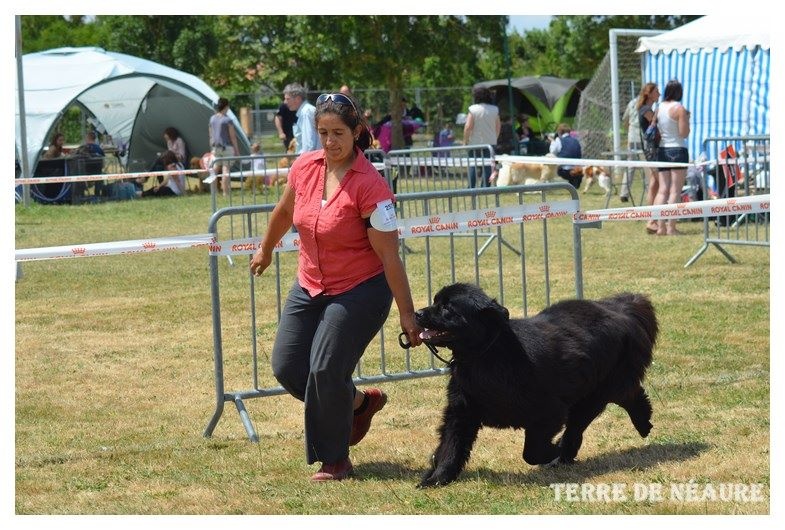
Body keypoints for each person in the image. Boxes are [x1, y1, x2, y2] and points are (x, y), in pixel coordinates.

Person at [249, 91, 423, 482]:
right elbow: (284, 212)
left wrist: (408, 316)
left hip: (360, 289)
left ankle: (336, 459)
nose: (330, 142)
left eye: (339, 133)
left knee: (326, 369)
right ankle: (359, 405)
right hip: (310, 284)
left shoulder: (371, 187)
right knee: (289, 367)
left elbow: (390, 257)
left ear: (357, 132)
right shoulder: (306, 167)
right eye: (323, 132)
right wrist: (265, 250)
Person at [652, 79, 691, 236]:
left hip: (663, 149)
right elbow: (684, 133)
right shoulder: (679, 109)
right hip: (677, 148)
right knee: (675, 190)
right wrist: (687, 119)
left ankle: (660, 227)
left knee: (663, 190)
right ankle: (671, 227)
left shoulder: (659, 107)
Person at [636, 83, 662, 233]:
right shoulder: (646, 110)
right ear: (649, 93)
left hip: (651, 149)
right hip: (652, 150)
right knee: (662, 183)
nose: (659, 93)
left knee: (654, 184)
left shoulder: (646, 109)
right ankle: (652, 220)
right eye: (656, 91)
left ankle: (652, 218)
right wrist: (660, 111)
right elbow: (656, 123)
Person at [463, 86, 500, 188]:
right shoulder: (495, 109)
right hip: (490, 143)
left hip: (475, 142)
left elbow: (468, 127)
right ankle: (485, 186)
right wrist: (494, 138)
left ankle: (471, 187)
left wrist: (465, 140)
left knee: (472, 165)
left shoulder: (473, 109)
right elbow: (498, 127)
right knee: (488, 165)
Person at [209, 97, 241, 196]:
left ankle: (213, 192)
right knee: (225, 169)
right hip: (227, 147)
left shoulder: (212, 119)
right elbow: (233, 137)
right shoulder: (227, 120)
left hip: (215, 148)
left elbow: (210, 135)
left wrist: (211, 148)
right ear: (226, 106)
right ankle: (225, 192)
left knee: (215, 169)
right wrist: (237, 151)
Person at [283, 83, 320, 154]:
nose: (285, 102)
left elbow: (309, 145)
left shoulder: (306, 112)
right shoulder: (305, 111)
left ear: (298, 99)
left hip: (309, 160)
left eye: (287, 99)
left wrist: (303, 163)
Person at [620, 95, 644, 202]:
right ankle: (649, 190)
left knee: (630, 165)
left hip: (632, 136)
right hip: (642, 137)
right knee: (646, 165)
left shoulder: (631, 102)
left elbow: (625, 119)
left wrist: (628, 129)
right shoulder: (647, 103)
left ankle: (624, 192)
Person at [550, 123, 583, 189]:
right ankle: (574, 181)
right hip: (577, 170)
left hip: (565, 170)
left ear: (559, 132)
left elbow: (552, 152)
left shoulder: (558, 140)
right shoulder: (576, 140)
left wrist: (552, 142)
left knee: (554, 166)